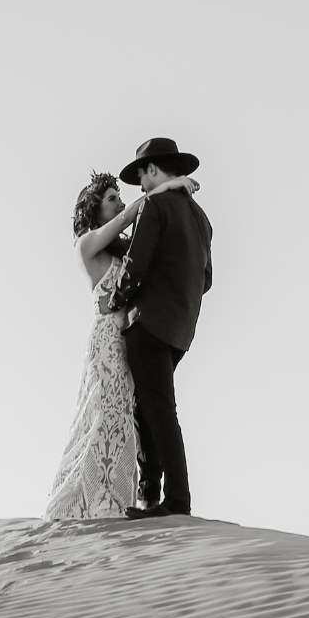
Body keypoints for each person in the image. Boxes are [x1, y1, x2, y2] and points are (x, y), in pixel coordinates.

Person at [43, 164, 202, 520]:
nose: (119, 204)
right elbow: (134, 214)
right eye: (111, 199)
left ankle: (120, 498)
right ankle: (91, 500)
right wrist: (170, 184)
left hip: (129, 339)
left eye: (119, 198)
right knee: (105, 416)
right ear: (94, 208)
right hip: (106, 345)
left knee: (129, 421)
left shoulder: (120, 254)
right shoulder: (86, 246)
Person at [108, 137, 213, 520]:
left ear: (153, 169)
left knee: (159, 411)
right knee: (149, 408)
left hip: (148, 324)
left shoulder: (155, 206)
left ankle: (176, 501)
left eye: (142, 177)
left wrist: (117, 302)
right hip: (181, 331)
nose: (141, 187)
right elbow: (206, 280)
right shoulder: (202, 219)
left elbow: (137, 264)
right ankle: (150, 493)